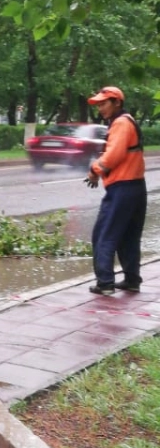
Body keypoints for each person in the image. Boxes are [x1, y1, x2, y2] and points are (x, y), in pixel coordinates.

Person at [84, 86, 146, 296]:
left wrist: (95, 170)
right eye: (98, 104)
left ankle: (105, 283)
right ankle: (131, 280)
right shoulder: (127, 121)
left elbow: (114, 154)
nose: (100, 108)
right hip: (136, 187)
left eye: (104, 103)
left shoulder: (120, 123)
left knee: (103, 235)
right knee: (128, 236)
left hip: (122, 188)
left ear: (117, 102)